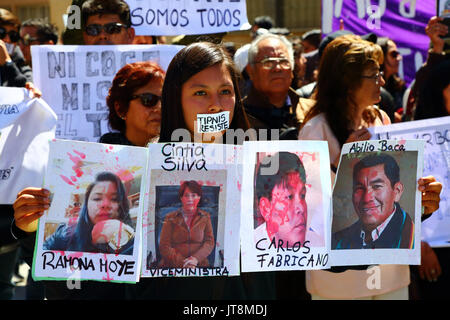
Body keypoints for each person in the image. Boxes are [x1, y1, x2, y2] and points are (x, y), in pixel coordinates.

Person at [298, 34, 442, 300]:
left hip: (389, 272)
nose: (383, 81)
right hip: (338, 282)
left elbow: (396, 188)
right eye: (374, 74)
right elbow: (308, 209)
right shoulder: (314, 130)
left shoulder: (381, 118)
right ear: (347, 81)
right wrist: (340, 165)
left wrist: (420, 193)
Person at [332, 154, 414, 249]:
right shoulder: (338, 241)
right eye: (359, 188)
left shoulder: (414, 240)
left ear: (397, 191)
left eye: (377, 186)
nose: (366, 198)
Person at [42, 171, 134, 254]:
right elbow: (40, 261)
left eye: (114, 199)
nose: (105, 204)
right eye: (97, 198)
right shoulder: (64, 233)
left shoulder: (135, 239)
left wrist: (123, 237)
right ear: (86, 204)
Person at [244, 33, 300, 138]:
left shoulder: (309, 112)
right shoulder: (238, 117)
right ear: (250, 71)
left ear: (292, 70)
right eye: (268, 62)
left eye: (284, 61)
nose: (277, 68)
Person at [254, 151, 315, 247]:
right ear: (266, 208)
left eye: (302, 195)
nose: (301, 208)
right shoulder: (249, 250)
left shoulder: (318, 244)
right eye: (289, 197)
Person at [100, 61, 164, 146]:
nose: (160, 107)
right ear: (121, 109)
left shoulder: (181, 154)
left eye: (165, 100)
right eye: (148, 99)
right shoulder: (98, 158)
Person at [158, 181, 215, 268]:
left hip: (199, 264)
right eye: (186, 195)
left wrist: (196, 259)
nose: (190, 199)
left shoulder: (205, 217)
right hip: (173, 265)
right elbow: (164, 246)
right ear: (181, 198)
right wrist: (183, 263)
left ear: (199, 197)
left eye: (193, 195)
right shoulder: (170, 217)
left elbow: (209, 242)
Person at [0, 8, 32, 86]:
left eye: (13, 36)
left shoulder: (18, 60)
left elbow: (28, 84)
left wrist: (7, 63)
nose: (7, 40)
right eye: (1, 33)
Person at [377, 37, 405, 122]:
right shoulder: (372, 88)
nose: (399, 58)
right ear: (381, 57)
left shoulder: (399, 86)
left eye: (398, 54)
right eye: (394, 54)